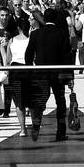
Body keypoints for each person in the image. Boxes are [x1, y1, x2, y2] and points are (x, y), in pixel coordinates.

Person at [27, 7, 74, 141]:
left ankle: (36, 126)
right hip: (58, 74)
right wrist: (70, 76)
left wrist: (30, 70)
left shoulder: (35, 34)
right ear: (54, 19)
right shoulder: (62, 33)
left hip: (41, 73)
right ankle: (60, 132)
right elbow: (67, 57)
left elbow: (28, 54)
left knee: (40, 101)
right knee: (60, 102)